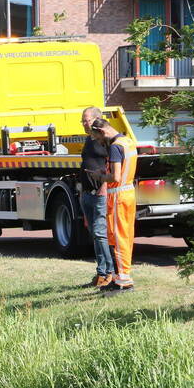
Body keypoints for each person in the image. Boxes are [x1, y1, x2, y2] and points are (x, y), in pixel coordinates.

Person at [90, 118, 137, 295]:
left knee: (118, 239)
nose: (98, 142)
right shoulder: (127, 141)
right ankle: (120, 277)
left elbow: (116, 177)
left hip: (118, 196)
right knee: (122, 237)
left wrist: (100, 176)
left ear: (102, 132)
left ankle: (124, 281)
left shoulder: (115, 146)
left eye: (97, 138)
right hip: (127, 193)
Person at [79, 107, 114, 288]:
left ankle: (110, 273)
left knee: (101, 235)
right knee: (95, 235)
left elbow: (112, 164)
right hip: (87, 194)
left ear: (97, 120)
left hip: (99, 194)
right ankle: (100, 274)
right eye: (82, 121)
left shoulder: (105, 141)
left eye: (86, 120)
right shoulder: (88, 140)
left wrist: (104, 186)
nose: (84, 123)